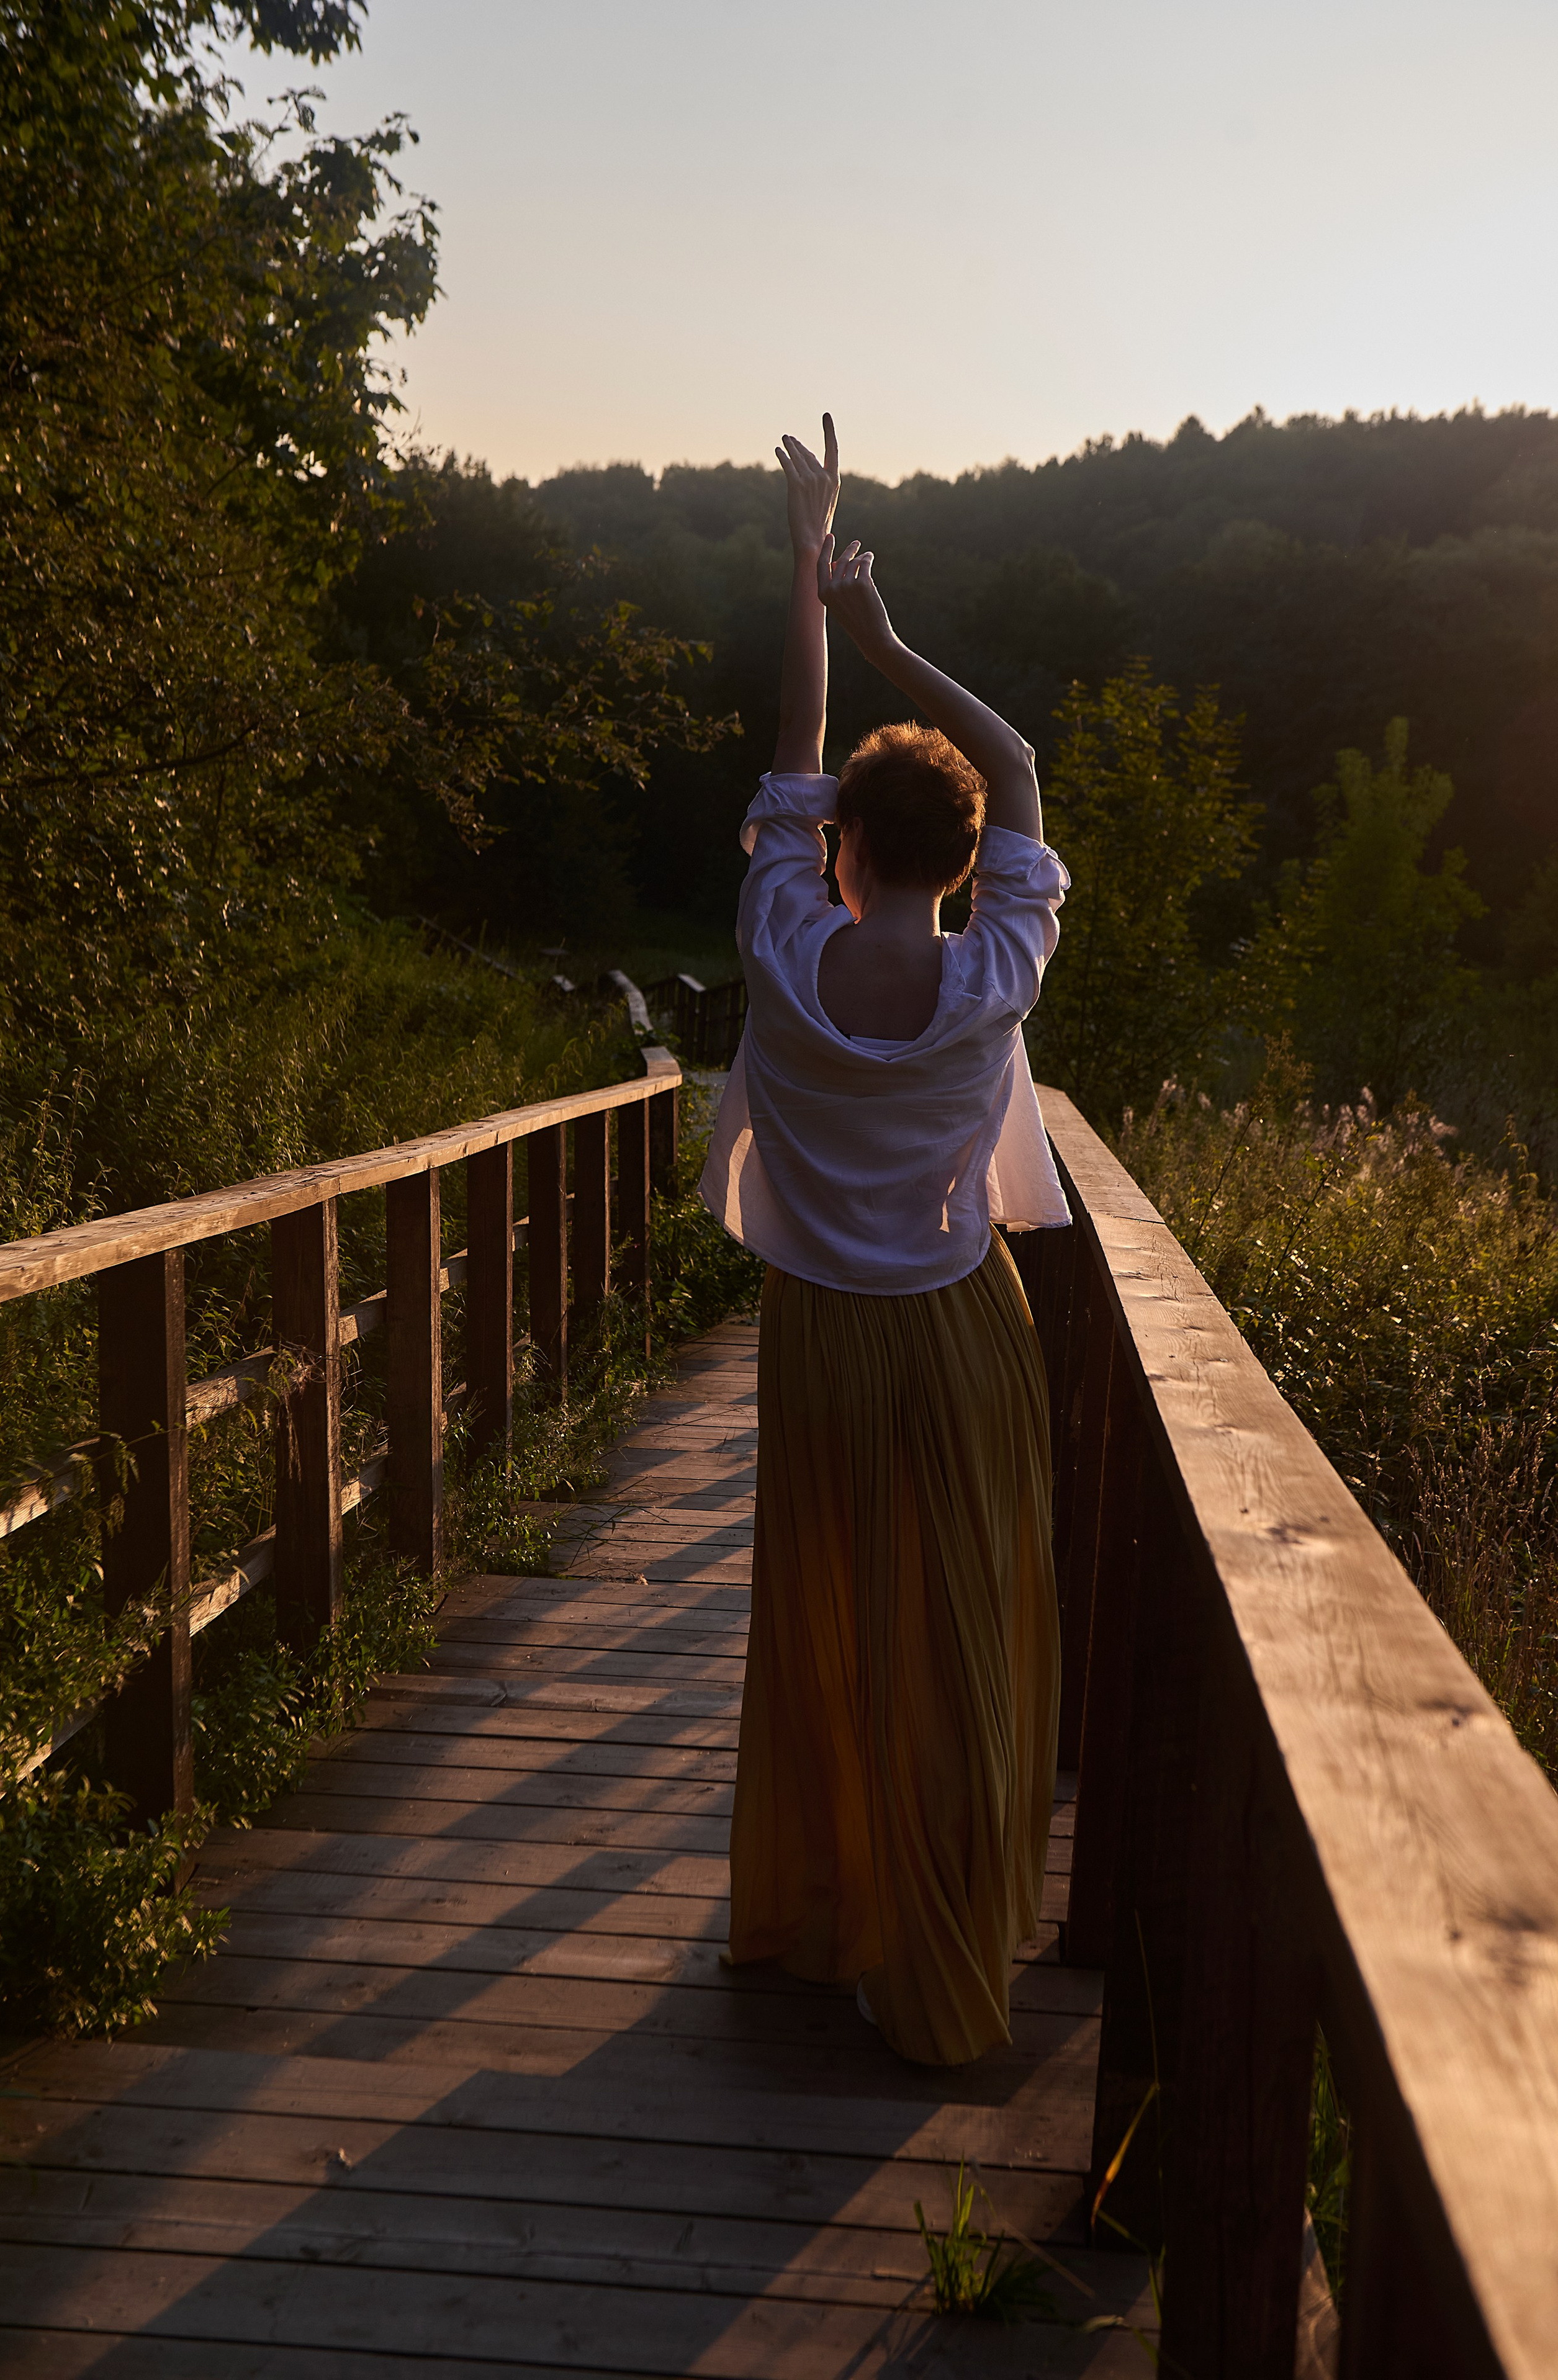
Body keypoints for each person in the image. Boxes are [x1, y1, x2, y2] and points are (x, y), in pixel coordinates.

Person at [699, 416, 1073, 2067]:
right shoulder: (992, 975)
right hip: (953, 1319)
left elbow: (795, 742)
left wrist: (807, 568)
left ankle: (823, 1906)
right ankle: (939, 1925)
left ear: (837, 846)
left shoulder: (784, 945)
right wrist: (893, 627)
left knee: (832, 1614)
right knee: (959, 1622)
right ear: (972, 859)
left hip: (821, 1330)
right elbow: (1031, 769)